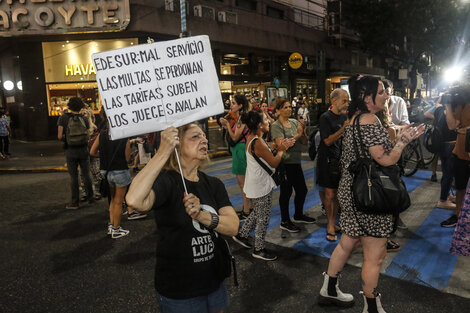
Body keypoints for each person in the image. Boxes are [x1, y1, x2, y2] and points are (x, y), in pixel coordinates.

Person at [318, 75, 423, 313]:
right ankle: (372, 307)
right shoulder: (368, 120)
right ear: (367, 98)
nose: (387, 95)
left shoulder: (355, 118)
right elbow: (385, 158)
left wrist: (396, 131)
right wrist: (403, 140)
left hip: (352, 190)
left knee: (347, 243)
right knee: (375, 255)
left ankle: (330, 288)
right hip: (367, 195)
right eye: (382, 91)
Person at [125, 123, 239, 313]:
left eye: (204, 136)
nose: (204, 139)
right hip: (180, 290)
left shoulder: (213, 184)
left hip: (214, 282)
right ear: (176, 145)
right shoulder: (167, 182)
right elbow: (134, 200)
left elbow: (233, 226)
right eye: (195, 137)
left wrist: (202, 215)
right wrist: (162, 151)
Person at [232, 110, 294, 261]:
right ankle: (259, 249)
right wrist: (281, 151)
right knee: (263, 218)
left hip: (256, 183)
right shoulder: (257, 141)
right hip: (260, 186)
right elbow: (273, 162)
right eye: (266, 120)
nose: (269, 122)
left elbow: (264, 153)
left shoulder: (253, 138)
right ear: (260, 125)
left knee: (257, 212)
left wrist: (277, 147)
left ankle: (242, 235)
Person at [271, 98, 315, 233]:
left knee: (302, 190)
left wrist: (303, 132)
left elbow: (304, 141)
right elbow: (281, 145)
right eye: (285, 107)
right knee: (286, 192)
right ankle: (285, 221)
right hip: (285, 162)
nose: (289, 109)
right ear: (278, 110)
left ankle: (298, 214)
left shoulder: (295, 122)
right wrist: (297, 135)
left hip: (296, 162)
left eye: (290, 107)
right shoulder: (276, 125)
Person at [90, 113, 136, 239]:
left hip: (106, 172)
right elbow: (127, 159)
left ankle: (111, 225)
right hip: (120, 171)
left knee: (112, 200)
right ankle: (116, 229)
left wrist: (105, 156)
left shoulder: (102, 135)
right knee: (119, 202)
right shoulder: (124, 138)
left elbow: (92, 152)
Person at [317, 88, 349, 241]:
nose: (346, 103)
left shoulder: (344, 116)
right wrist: (343, 129)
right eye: (344, 100)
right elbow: (327, 141)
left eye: (347, 100)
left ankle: (333, 222)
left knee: (336, 194)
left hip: (340, 160)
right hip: (327, 160)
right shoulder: (325, 117)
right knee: (329, 194)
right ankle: (330, 224)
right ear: (334, 101)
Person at [57, 97, 95, 209]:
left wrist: (67, 138)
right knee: (86, 174)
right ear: (80, 106)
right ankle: (91, 199)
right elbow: (88, 135)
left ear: (69, 106)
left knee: (73, 176)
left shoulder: (63, 118)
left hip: (70, 150)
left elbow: (59, 136)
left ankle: (75, 202)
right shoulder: (84, 118)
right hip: (83, 149)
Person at [441, 85, 470, 228]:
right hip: (461, 152)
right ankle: (458, 214)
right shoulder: (459, 104)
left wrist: (465, 131)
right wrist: (447, 103)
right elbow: (452, 125)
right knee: (460, 186)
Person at [219, 95, 252, 220]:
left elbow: (234, 137)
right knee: (246, 183)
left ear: (240, 106)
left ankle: (246, 211)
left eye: (233, 103)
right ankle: (250, 208)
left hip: (240, 150)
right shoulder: (239, 118)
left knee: (243, 184)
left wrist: (227, 124)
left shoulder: (242, 119)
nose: (231, 105)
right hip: (240, 150)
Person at [424, 97, 456, 210]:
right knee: (448, 174)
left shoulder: (438, 110)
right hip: (449, 145)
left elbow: (428, 113)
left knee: (446, 172)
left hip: (441, 144)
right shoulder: (450, 111)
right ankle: (443, 200)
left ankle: (446, 195)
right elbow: (453, 126)